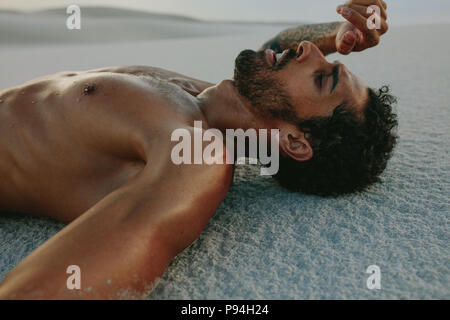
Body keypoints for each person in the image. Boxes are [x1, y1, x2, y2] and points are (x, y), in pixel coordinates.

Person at [0, 0, 397, 299]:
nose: (309, 49)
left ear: (294, 141)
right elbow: (274, 49)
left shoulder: (197, 156)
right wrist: (340, 34)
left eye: (323, 78)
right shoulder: (206, 96)